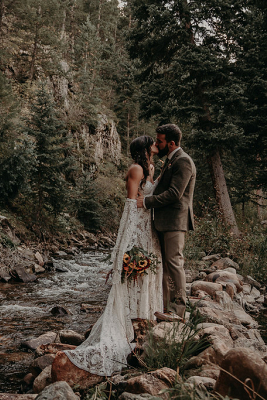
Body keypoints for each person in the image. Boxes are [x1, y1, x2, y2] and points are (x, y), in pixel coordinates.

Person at [64, 136, 163, 377]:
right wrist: (123, 247)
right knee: (133, 273)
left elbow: (149, 195)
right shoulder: (136, 169)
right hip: (135, 230)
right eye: (152, 143)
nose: (155, 145)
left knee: (147, 273)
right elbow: (130, 206)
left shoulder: (149, 168)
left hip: (149, 229)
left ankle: (145, 322)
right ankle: (127, 326)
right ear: (145, 148)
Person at [137, 124, 196, 319]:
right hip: (164, 221)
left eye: (160, 141)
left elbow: (174, 194)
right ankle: (166, 307)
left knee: (174, 263)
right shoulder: (171, 160)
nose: (156, 143)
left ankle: (178, 311)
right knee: (166, 266)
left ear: (171, 143)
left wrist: (146, 202)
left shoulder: (183, 161)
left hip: (175, 221)